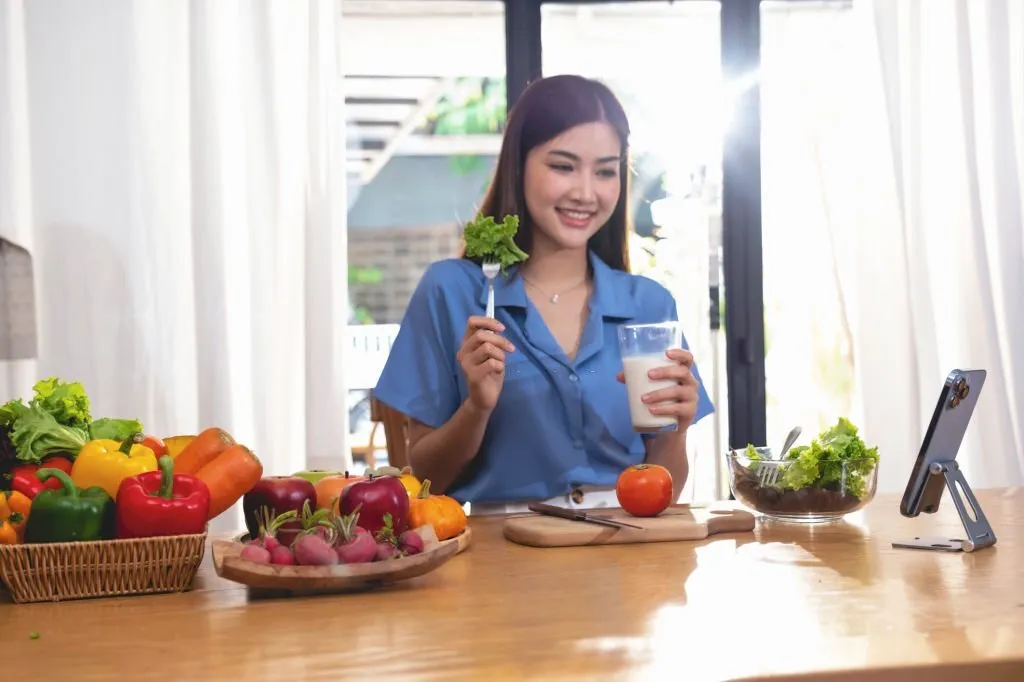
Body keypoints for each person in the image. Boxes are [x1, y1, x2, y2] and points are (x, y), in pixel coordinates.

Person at [371, 74, 714, 513]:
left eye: (606, 171)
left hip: (629, 549)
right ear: (519, 164)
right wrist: (476, 408)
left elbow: (664, 488)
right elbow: (426, 479)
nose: (586, 193)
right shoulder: (452, 291)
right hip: (502, 554)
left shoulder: (648, 304)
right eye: (563, 166)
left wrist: (677, 429)